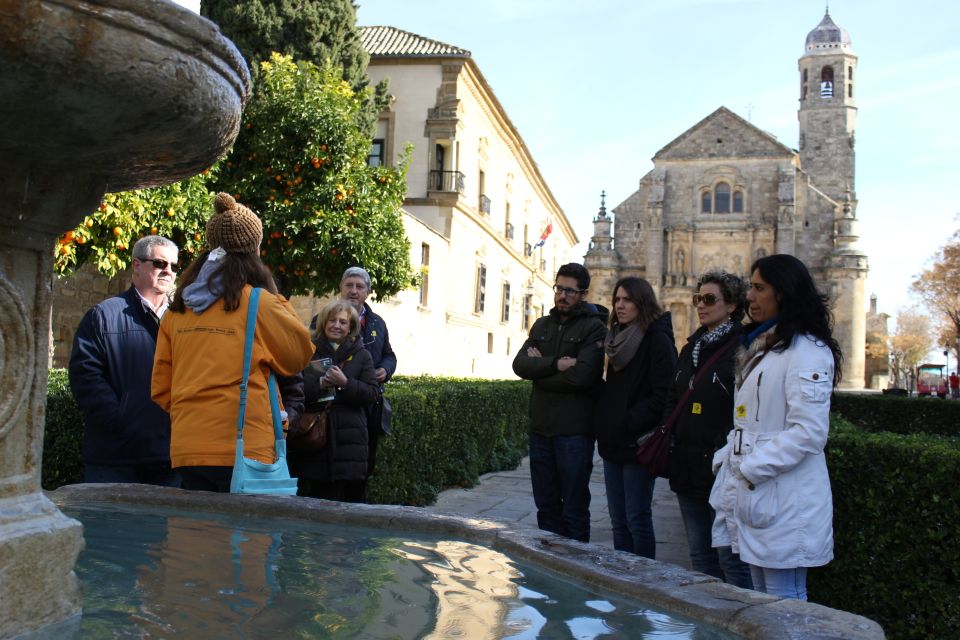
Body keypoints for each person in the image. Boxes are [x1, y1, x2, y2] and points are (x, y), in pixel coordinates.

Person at [151, 193, 314, 492]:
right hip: (246, 449)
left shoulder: (177, 310)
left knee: (194, 535)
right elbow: (299, 355)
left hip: (188, 448)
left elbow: (161, 389)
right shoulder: (259, 303)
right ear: (254, 250)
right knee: (246, 537)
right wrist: (275, 296)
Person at [710, 254, 842, 600]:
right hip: (759, 496)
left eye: (758, 288)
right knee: (761, 600)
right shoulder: (765, 346)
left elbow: (809, 432)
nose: (749, 297)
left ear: (782, 292)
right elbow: (751, 418)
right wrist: (729, 457)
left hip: (782, 497)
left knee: (784, 602)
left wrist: (751, 468)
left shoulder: (807, 351)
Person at [69, 234, 181, 486]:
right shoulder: (104, 315)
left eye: (174, 266)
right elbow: (85, 376)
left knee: (168, 526)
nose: (169, 272)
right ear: (136, 265)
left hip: (169, 458)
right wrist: (121, 420)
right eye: (160, 264)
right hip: (115, 459)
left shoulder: (184, 320)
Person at [666, 270, 752, 587]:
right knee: (700, 557)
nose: (700, 306)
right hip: (687, 466)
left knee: (732, 561)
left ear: (731, 305)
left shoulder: (745, 348)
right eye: (697, 299)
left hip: (723, 469)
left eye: (709, 299)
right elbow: (673, 396)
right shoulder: (692, 348)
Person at [512, 263, 606, 543]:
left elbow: (583, 377)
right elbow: (520, 364)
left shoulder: (594, 329)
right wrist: (556, 364)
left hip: (574, 434)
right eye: (559, 288)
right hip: (541, 432)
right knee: (546, 509)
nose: (562, 295)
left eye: (569, 290)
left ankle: (577, 573)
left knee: (574, 511)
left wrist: (540, 372)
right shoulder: (542, 325)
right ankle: (548, 572)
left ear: (583, 294)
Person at [594, 277, 676, 557]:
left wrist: (628, 421)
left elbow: (664, 394)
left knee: (637, 518)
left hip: (638, 443)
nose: (620, 305)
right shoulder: (616, 338)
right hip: (613, 442)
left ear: (642, 303)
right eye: (617, 299)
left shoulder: (657, 339)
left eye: (627, 300)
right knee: (618, 521)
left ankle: (643, 583)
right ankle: (621, 580)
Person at [289, 300, 380, 501]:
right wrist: (320, 382)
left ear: (351, 328)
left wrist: (346, 383)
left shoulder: (362, 355)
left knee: (349, 505)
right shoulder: (309, 351)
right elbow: (295, 388)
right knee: (318, 501)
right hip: (315, 441)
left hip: (350, 442)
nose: (337, 325)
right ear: (324, 323)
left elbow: (373, 393)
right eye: (332, 320)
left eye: (342, 322)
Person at [317, 266, 397, 481]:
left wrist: (386, 369)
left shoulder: (377, 323)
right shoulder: (321, 318)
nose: (354, 291)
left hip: (367, 405)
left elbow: (389, 354)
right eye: (349, 285)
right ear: (341, 288)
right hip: (330, 408)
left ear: (368, 291)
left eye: (359, 287)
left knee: (361, 467)